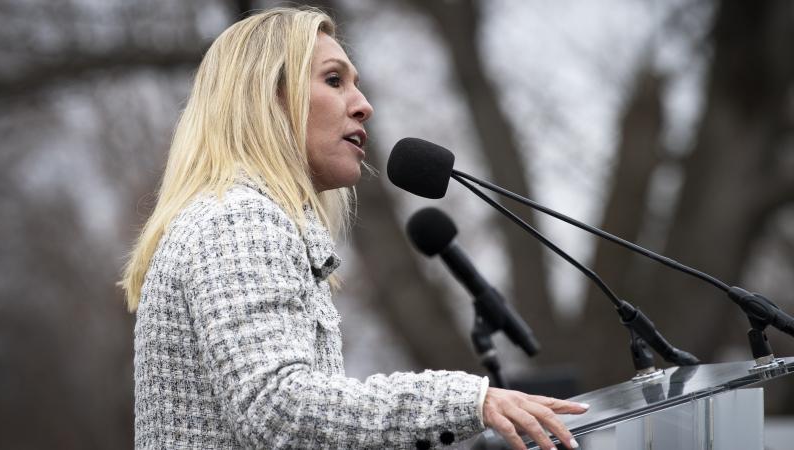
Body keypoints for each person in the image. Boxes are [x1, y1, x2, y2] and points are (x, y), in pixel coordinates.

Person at [120, 7, 587, 450]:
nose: (364, 105)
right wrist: (467, 400)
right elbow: (277, 408)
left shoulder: (238, 215)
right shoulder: (239, 219)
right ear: (267, 97)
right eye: (333, 80)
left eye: (356, 85)